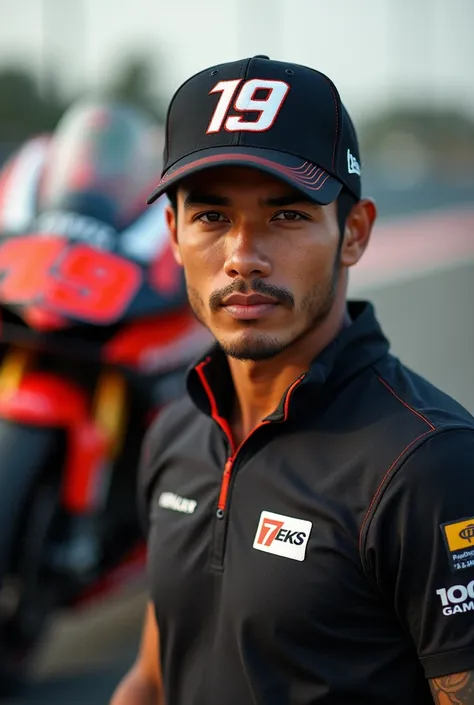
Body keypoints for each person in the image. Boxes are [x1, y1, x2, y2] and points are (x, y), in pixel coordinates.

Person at [110, 55, 474, 705]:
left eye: (287, 216)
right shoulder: (175, 434)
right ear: (173, 231)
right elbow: (154, 675)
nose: (243, 256)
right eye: (212, 217)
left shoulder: (431, 464)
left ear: (353, 233)